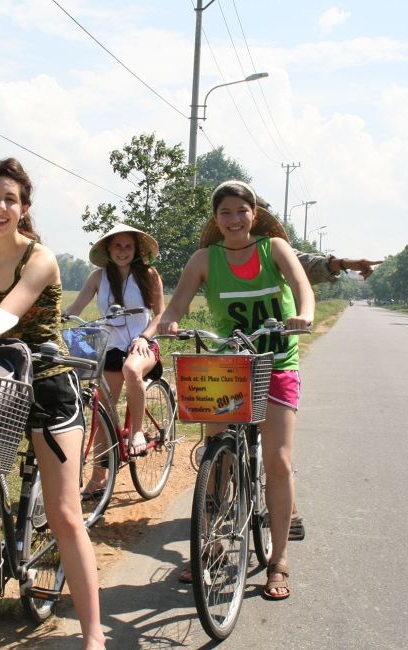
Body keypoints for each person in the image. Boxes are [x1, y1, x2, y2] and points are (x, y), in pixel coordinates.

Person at [140, 180, 315, 601]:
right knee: (217, 457)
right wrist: (166, 324)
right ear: (216, 220)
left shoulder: (274, 249)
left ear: (254, 213)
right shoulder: (204, 258)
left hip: (276, 362)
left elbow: (302, 286)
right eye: (225, 213)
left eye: (241, 211)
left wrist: (304, 314)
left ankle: (278, 561)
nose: (234, 219)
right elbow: (177, 303)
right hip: (229, 365)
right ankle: (210, 543)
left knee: (278, 459)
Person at [0, 158, 106, 649]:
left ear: (24, 209)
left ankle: (93, 636)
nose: (1, 207)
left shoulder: (39, 258)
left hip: (46, 381)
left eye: (11, 199)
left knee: (64, 513)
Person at [63, 223, 165, 494]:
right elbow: (75, 308)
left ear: (136, 250)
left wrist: (144, 337)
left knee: (132, 370)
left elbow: (160, 315)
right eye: (117, 246)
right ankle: (99, 478)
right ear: (108, 249)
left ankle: (138, 432)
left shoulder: (150, 275)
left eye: (127, 246)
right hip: (110, 347)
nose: (122, 251)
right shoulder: (98, 277)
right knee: (104, 411)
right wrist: (58, 319)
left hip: (143, 346)